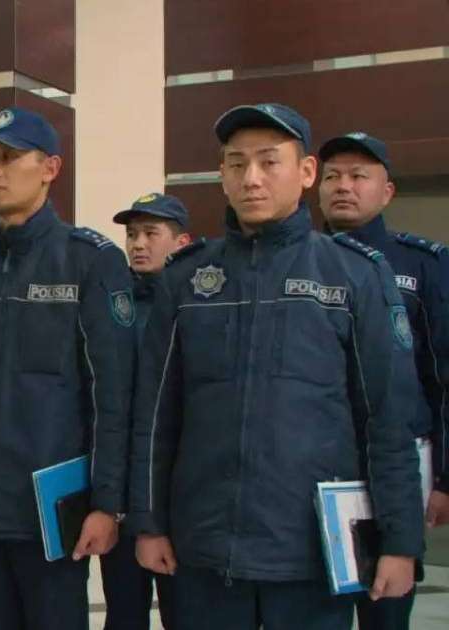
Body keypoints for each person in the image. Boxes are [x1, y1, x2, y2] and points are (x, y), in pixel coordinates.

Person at [129, 104, 425, 630]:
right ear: (221, 175)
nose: (252, 178)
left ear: (306, 173)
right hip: (204, 548)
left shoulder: (352, 276)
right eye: (236, 164)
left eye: (270, 162)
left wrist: (400, 542)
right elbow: (156, 416)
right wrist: (149, 523)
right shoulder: (190, 281)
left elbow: (386, 420)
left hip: (312, 549)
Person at [0, 107, 135, 630]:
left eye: (9, 158)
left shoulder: (89, 260)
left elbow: (114, 395)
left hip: (52, 516)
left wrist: (109, 504)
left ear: (50, 168)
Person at [317, 131, 449, 630]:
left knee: (385, 607)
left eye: (358, 177)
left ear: (387, 191)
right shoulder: (295, 261)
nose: (343, 187)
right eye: (333, 177)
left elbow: (443, 375)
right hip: (316, 460)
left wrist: (445, 477)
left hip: (397, 461)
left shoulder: (424, 265)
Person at [100, 192, 192, 630]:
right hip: (120, 491)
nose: (138, 244)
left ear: (181, 242)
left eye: (151, 234)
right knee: (123, 612)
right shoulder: (113, 310)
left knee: (185, 610)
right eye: (132, 235)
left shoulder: (196, 309)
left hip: (179, 493)